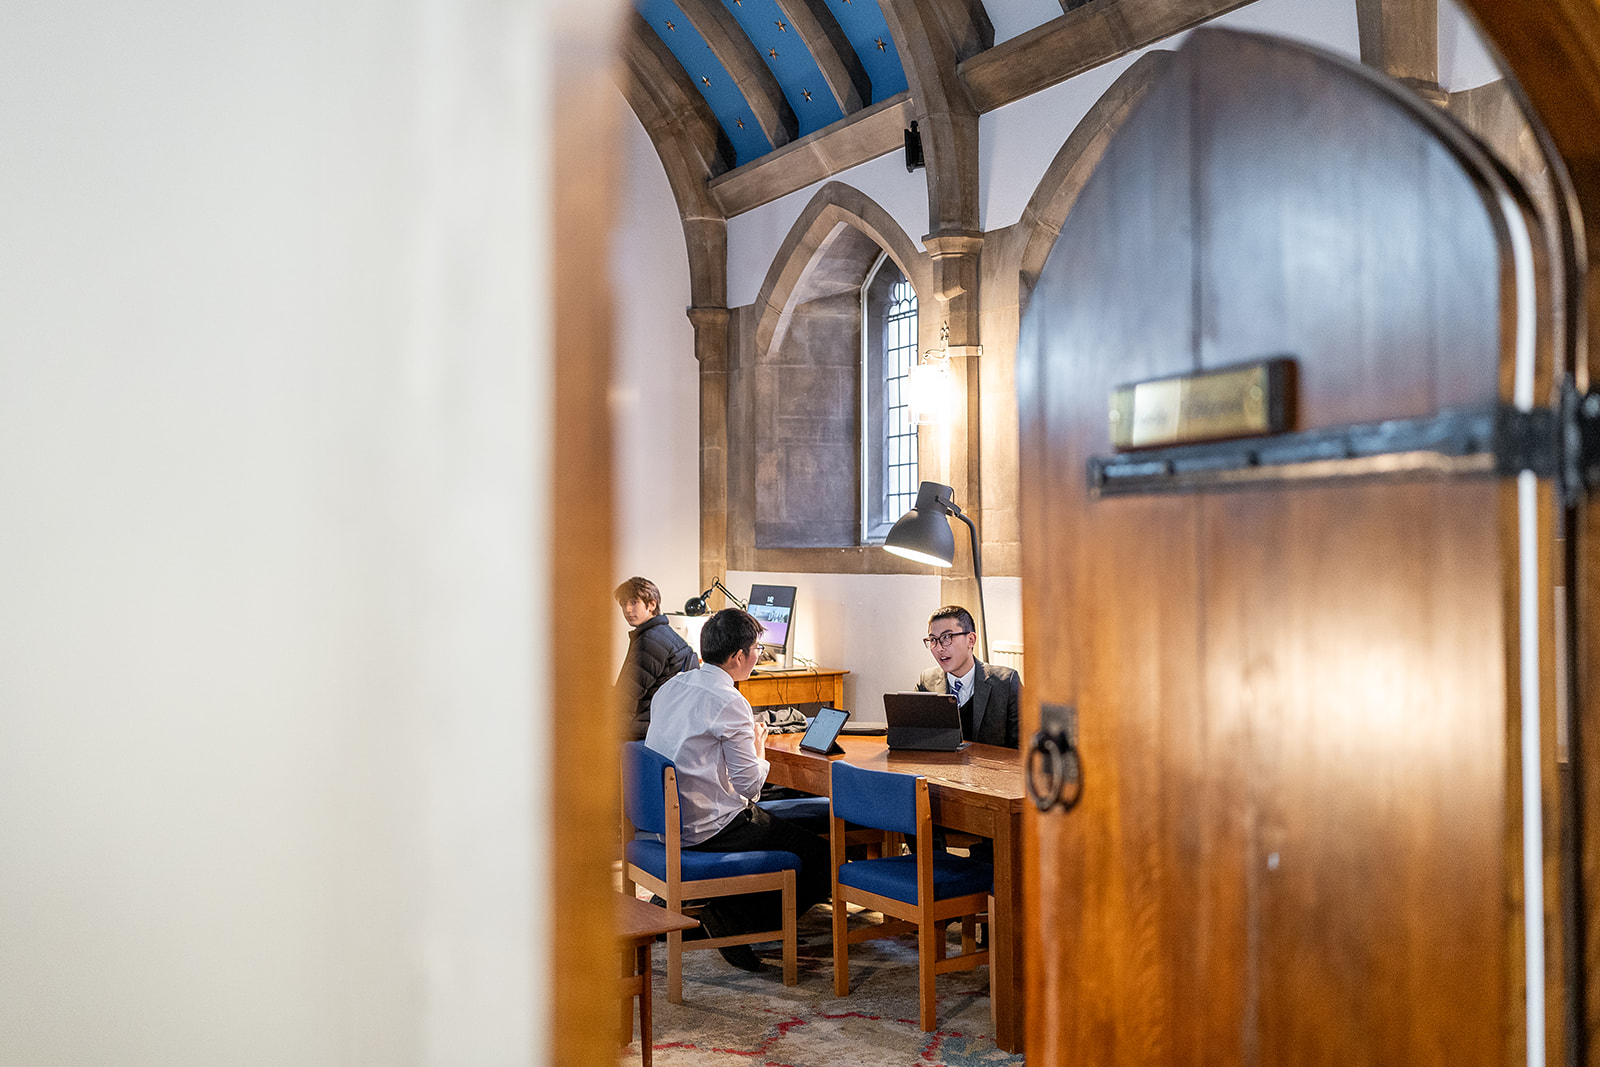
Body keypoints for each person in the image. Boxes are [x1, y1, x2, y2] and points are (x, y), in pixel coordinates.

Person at [645, 607, 831, 972]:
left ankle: (703, 911)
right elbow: (751, 787)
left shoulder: (673, 686)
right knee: (822, 856)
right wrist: (760, 751)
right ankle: (735, 919)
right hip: (710, 828)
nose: (759, 656)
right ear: (737, 657)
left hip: (665, 820)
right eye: (758, 650)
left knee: (793, 828)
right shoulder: (729, 701)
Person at [916, 605, 1021, 749]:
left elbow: (1023, 748)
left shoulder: (1006, 683)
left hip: (990, 769)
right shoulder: (927, 682)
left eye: (947, 637)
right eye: (933, 639)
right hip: (942, 769)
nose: (939, 648)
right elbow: (915, 739)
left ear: (971, 640)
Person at [614, 576, 699, 742]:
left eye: (633, 602)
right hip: (665, 725)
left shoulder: (650, 641)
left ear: (652, 604)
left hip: (644, 729)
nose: (627, 610)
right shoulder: (664, 633)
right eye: (623, 604)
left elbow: (626, 697)